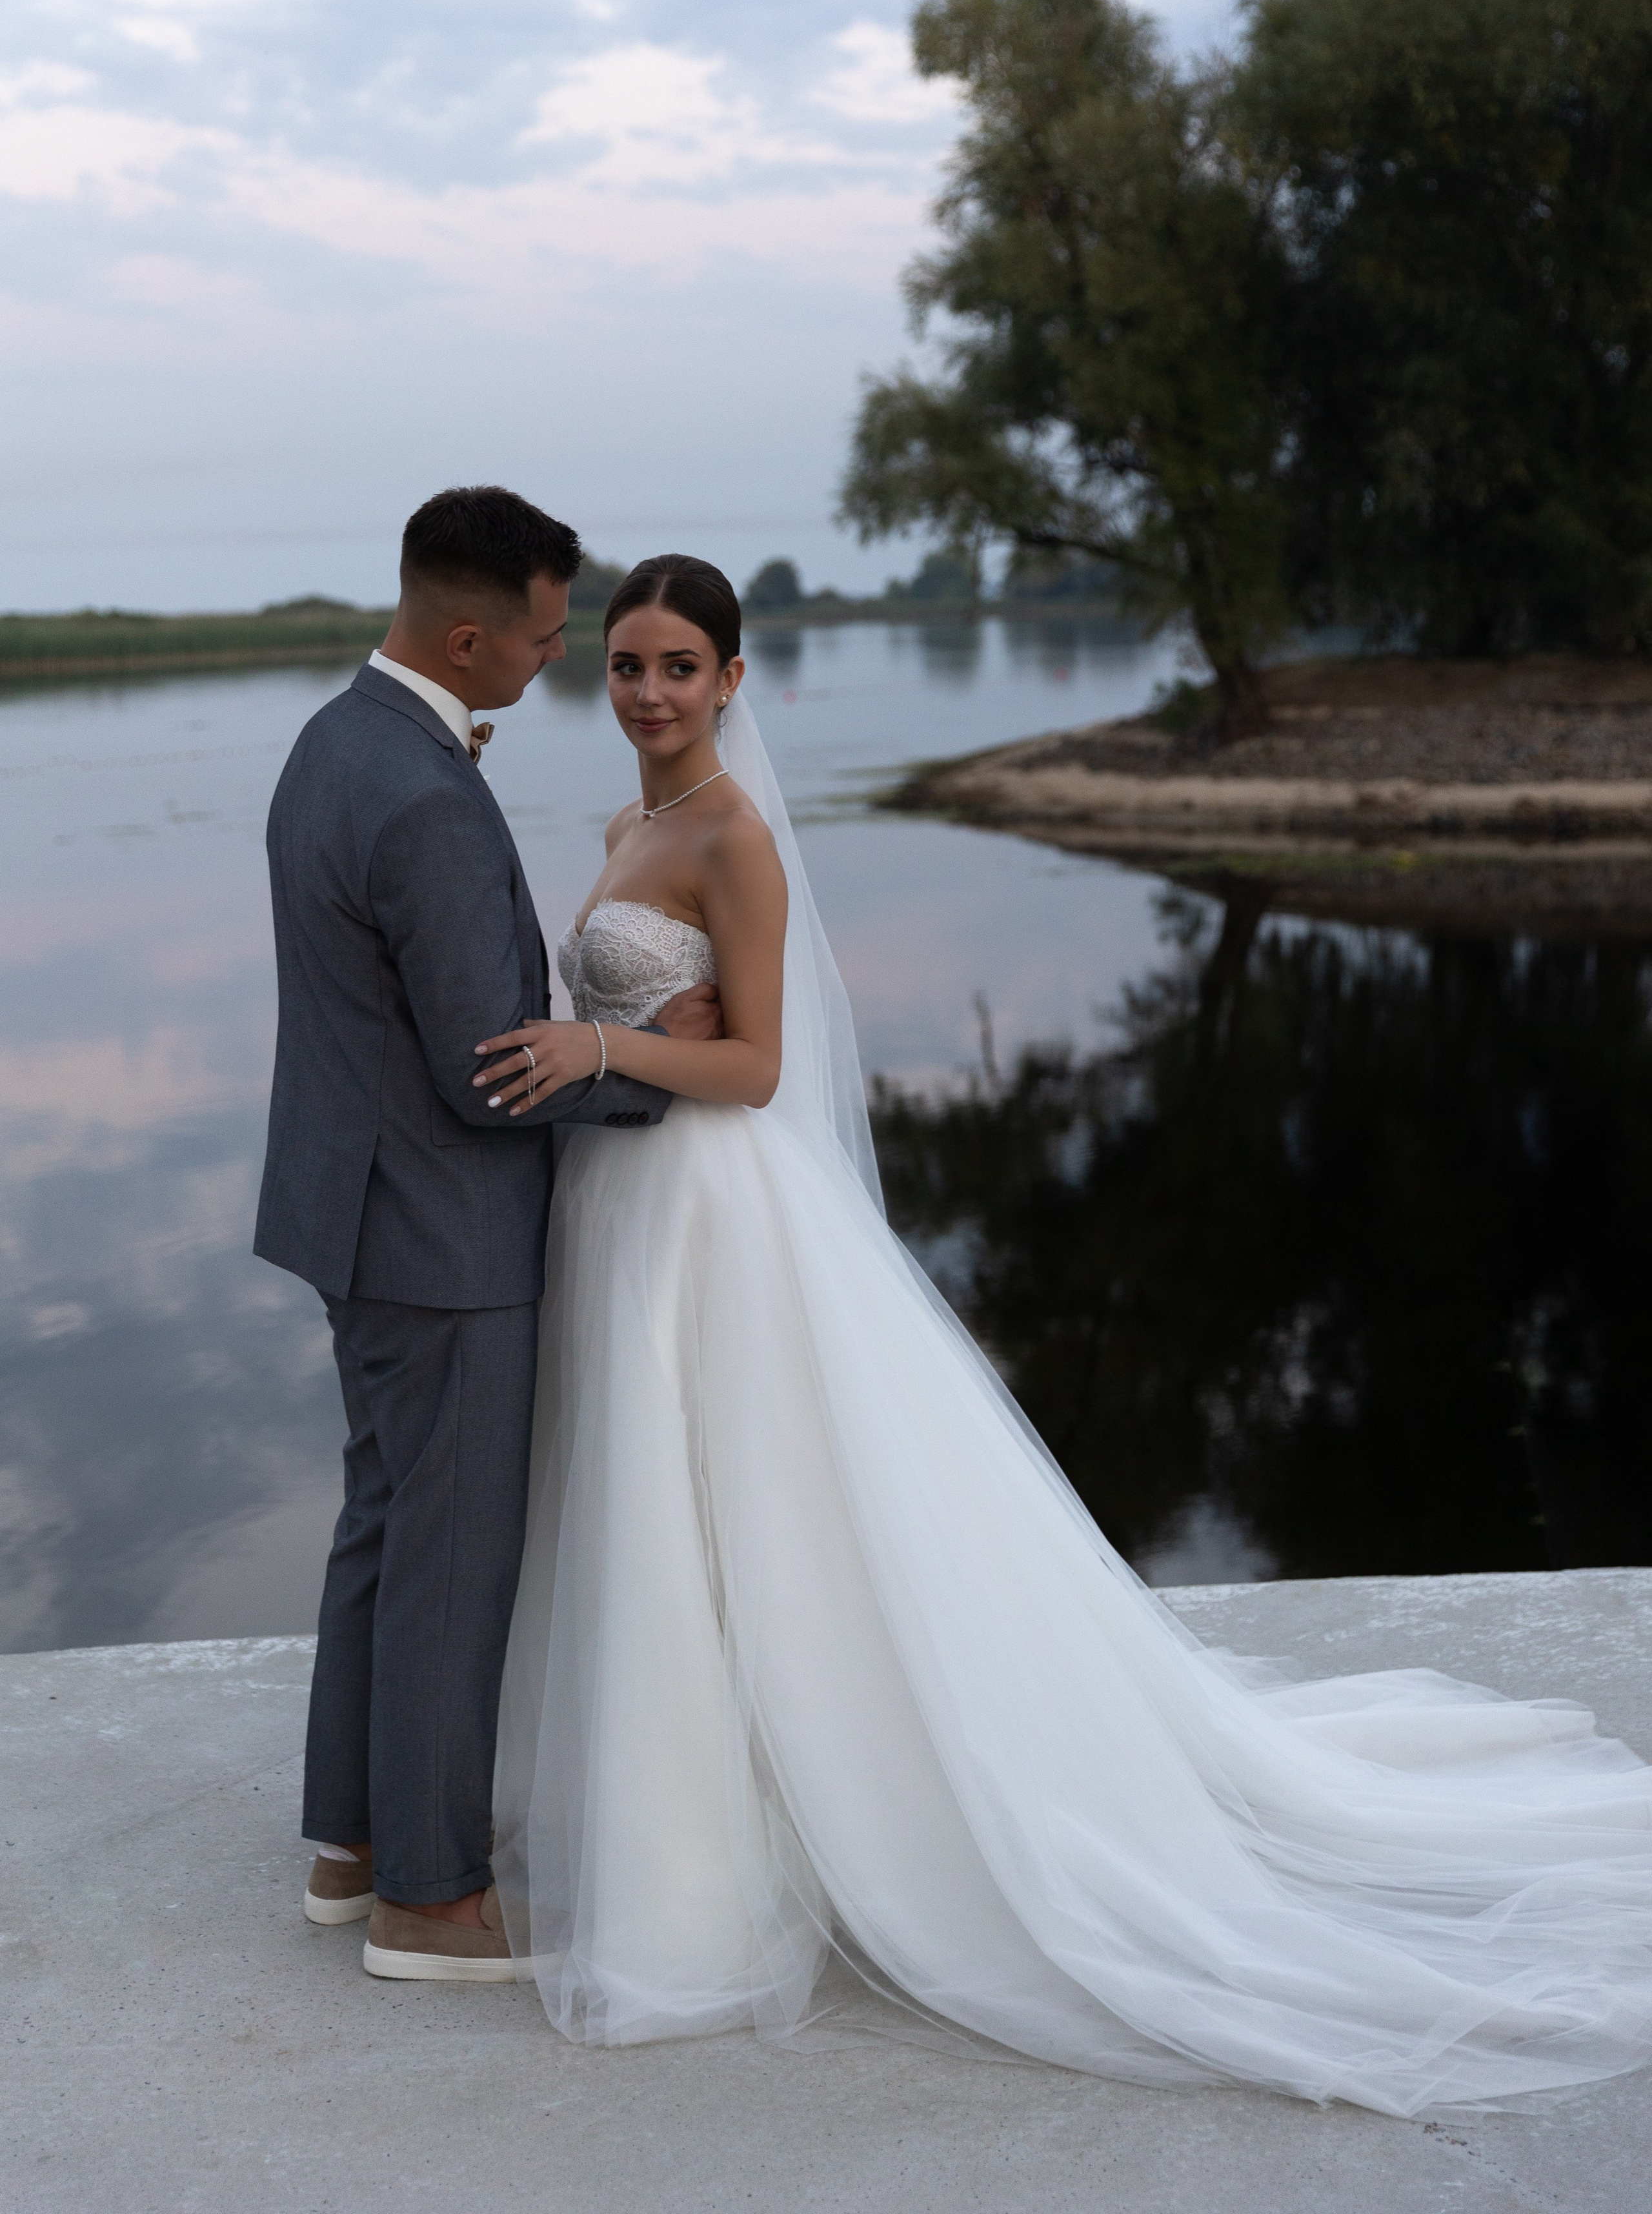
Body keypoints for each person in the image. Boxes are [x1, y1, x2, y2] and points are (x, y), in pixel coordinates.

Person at [476, 552, 1652, 2114]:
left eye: (678, 666)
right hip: (628, 1204)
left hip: (714, 1209)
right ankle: (693, 1821)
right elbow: (670, 1033)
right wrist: (625, 1042)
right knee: (665, 1515)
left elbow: (756, 1067)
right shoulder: (628, 827)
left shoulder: (734, 837)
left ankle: (764, 1848)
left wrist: (602, 1043)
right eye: (626, 663)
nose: (647, 691)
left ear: (732, 681)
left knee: (755, 1511)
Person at [254, 489, 720, 1980]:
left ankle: (356, 1844)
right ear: (468, 639)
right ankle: (432, 1899)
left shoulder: (332, 742)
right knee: (450, 1558)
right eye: (543, 635)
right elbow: (491, 1073)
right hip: (443, 1233)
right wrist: (652, 1071)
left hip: (352, 1210)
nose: (556, 658)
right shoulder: (426, 798)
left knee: (383, 1526)